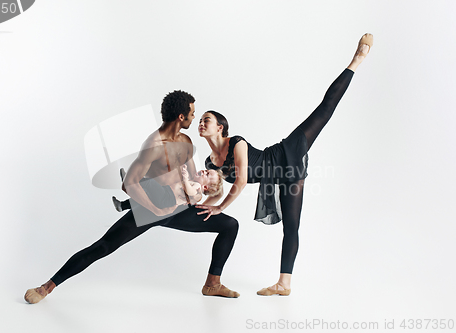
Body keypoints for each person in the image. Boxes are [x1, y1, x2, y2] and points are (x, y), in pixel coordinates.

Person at [195, 34, 373, 296]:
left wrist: (221, 206)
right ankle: (284, 284)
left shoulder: (237, 143)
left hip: (285, 155)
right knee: (291, 227)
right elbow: (217, 187)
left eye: (206, 120)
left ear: (219, 127)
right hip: (282, 178)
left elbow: (241, 181)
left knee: (324, 110)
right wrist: (209, 203)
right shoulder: (210, 162)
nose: (201, 123)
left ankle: (356, 61)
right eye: (199, 120)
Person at [24, 91, 240, 304]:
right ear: (181, 117)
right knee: (104, 246)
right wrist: (156, 211)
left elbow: (194, 177)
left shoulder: (185, 141)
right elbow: (128, 184)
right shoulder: (153, 146)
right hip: (152, 208)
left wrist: (209, 193)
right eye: (192, 114)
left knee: (230, 225)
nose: (195, 118)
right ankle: (46, 287)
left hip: (179, 206)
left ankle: (212, 284)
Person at [112, 165, 224, 212]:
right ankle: (122, 206)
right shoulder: (193, 183)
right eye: (206, 170)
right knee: (145, 196)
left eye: (207, 174)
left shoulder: (197, 187)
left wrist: (185, 179)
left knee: (150, 184)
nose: (204, 171)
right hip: (165, 194)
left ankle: (129, 181)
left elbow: (190, 191)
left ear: (205, 186)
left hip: (167, 198)